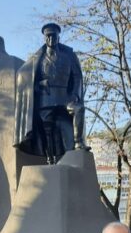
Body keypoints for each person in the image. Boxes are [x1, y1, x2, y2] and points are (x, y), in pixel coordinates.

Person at [14, 22, 87, 164]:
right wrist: (39, 84)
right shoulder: (37, 59)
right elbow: (25, 78)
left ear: (58, 36)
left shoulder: (69, 56)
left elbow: (77, 76)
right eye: (48, 36)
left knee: (79, 109)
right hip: (45, 101)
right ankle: (49, 158)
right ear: (44, 38)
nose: (51, 39)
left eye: (53, 36)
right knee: (47, 131)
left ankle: (79, 143)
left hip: (65, 98)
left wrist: (74, 94)